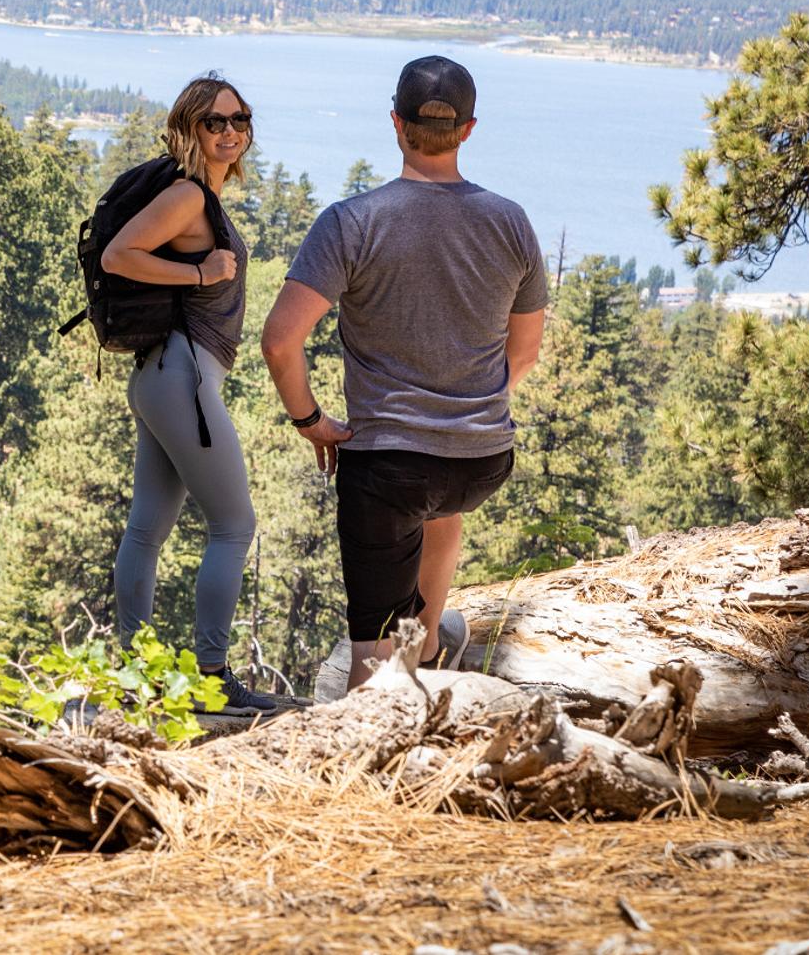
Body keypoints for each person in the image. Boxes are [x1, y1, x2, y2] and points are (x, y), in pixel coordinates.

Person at [257, 55, 548, 690]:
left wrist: (311, 422)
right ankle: (429, 642)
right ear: (469, 129)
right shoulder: (512, 223)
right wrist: (466, 410)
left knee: (370, 666)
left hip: (386, 468)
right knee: (440, 503)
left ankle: (382, 704)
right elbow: (523, 355)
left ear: (396, 122)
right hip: (481, 461)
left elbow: (280, 341)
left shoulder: (352, 222)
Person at [100, 75, 277, 712]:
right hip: (183, 374)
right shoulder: (187, 196)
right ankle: (210, 678)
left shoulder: (204, 196)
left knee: (147, 530)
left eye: (240, 118)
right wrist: (201, 270)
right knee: (234, 525)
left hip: (162, 376)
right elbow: (119, 255)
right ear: (188, 128)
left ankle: (132, 676)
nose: (230, 131)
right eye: (214, 121)